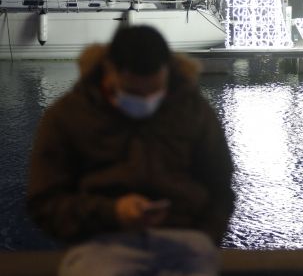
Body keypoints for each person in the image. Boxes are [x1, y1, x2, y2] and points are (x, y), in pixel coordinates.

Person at [27, 25, 235, 276]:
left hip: (185, 242)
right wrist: (112, 212)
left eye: (155, 91)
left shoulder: (194, 111)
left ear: (167, 72)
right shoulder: (68, 116)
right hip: (101, 244)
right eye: (134, 92)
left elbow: (220, 185)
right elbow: (45, 201)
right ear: (109, 70)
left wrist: (205, 235)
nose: (146, 99)